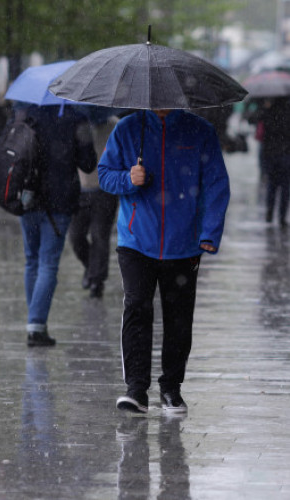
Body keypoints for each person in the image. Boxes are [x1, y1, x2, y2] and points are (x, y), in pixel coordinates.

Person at [98, 108, 230, 413]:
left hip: (184, 244)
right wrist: (128, 179)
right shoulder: (128, 129)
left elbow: (216, 183)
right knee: (136, 308)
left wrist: (209, 232)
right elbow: (105, 175)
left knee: (179, 318)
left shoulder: (200, 131)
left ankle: (171, 387)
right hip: (135, 241)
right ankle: (136, 390)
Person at [12, 104, 97, 347]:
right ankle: (36, 326)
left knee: (32, 260)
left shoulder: (23, 114)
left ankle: (35, 323)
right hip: (60, 201)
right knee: (48, 264)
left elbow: (2, 150)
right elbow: (88, 163)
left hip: (27, 197)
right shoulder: (76, 117)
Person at [68, 114, 119, 298]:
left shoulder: (115, 126)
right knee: (75, 237)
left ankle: (97, 281)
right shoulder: (77, 124)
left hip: (106, 191)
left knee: (100, 236)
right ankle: (91, 267)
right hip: (80, 190)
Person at [248, 97, 290, 227]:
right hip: (286, 153)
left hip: (270, 153)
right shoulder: (287, 111)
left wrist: (264, 108)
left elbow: (252, 120)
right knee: (285, 187)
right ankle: (282, 216)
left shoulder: (267, 110)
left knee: (272, 185)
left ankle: (269, 213)